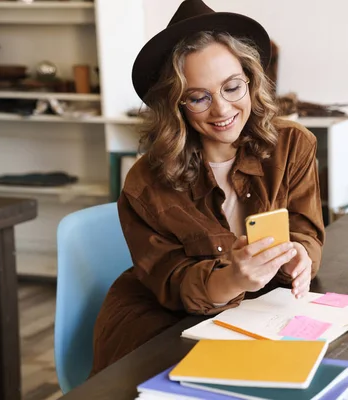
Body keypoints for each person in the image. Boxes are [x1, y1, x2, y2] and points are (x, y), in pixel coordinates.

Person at [90, 0, 325, 375]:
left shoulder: (292, 146)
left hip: (256, 317)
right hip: (160, 325)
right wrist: (231, 278)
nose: (222, 110)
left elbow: (305, 230)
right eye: (199, 97)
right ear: (175, 105)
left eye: (232, 87)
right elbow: (171, 282)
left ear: (250, 80)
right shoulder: (145, 183)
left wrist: (300, 255)